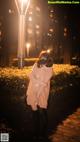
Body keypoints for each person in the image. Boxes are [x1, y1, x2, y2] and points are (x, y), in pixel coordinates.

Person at [26, 50, 53, 141]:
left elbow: (44, 83)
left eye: (45, 57)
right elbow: (30, 75)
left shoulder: (49, 69)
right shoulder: (35, 65)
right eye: (41, 57)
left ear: (48, 58)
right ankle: (36, 133)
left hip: (42, 93)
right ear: (39, 57)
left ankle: (43, 133)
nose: (43, 59)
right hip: (33, 91)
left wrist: (37, 82)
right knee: (35, 113)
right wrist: (38, 82)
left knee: (43, 112)